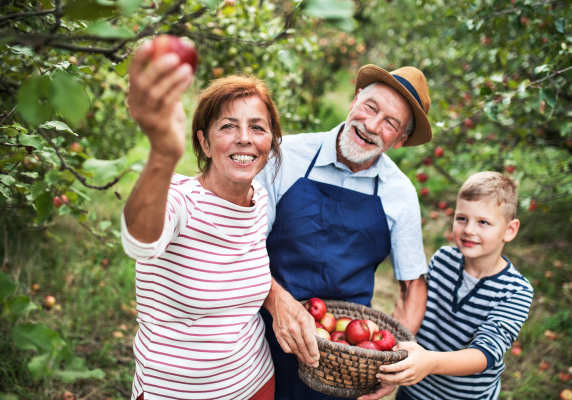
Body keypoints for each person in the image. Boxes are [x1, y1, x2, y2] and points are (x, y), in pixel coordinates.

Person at [255, 64, 432, 400]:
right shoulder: (285, 156)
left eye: (391, 123)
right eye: (370, 107)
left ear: (401, 139)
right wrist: (278, 303)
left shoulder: (399, 192)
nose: (372, 125)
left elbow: (413, 285)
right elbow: (243, 246)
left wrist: (398, 355)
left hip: (342, 355)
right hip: (262, 331)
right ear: (354, 100)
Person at [121, 42, 282, 400]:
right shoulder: (180, 198)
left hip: (255, 383)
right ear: (205, 143)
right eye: (227, 126)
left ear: (270, 143)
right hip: (176, 392)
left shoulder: (260, 201)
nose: (244, 138)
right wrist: (163, 155)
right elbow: (140, 242)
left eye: (257, 127)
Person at [377, 172, 534, 400]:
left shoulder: (515, 291)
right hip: (414, 388)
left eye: (483, 222)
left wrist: (429, 362)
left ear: (509, 230)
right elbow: (416, 308)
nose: (469, 229)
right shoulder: (443, 260)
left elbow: (484, 354)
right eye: (462, 218)